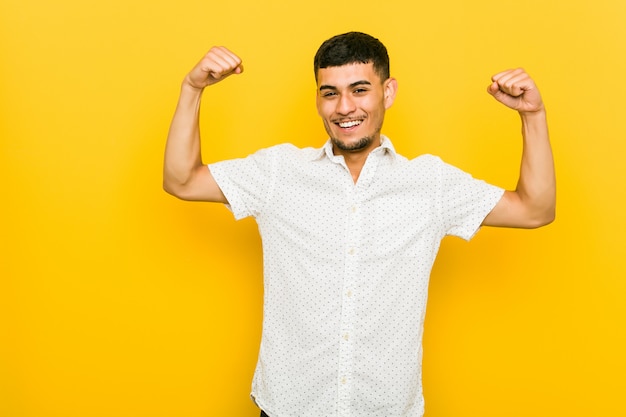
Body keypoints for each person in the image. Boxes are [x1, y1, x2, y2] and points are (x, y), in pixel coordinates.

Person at [163, 32, 555, 417]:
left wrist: (532, 115)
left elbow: (534, 210)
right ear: (317, 100)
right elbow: (181, 179)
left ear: (388, 93)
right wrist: (192, 88)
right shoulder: (278, 173)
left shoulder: (430, 184)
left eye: (360, 89)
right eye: (330, 92)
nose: (344, 107)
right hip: (288, 406)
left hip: (385, 408)